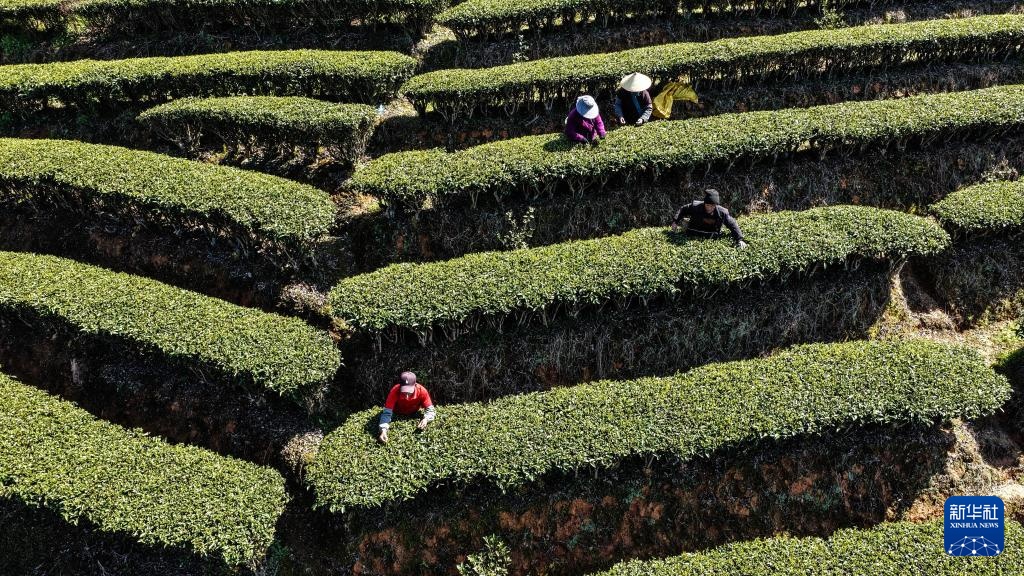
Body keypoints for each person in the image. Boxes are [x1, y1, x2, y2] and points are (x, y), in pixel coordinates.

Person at [670, 189, 748, 249]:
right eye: (707, 205)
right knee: (685, 222)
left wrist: (739, 239)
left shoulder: (722, 212)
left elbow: (732, 224)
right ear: (704, 203)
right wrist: (675, 221)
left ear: (716, 205)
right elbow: (683, 209)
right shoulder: (695, 206)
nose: (710, 208)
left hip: (710, 235)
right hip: (693, 232)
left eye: (712, 206)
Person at [378, 371, 435, 444]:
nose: (407, 396)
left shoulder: (422, 391)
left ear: (415, 385)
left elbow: (430, 410)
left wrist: (426, 419)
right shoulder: (395, 390)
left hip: (413, 413)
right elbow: (387, 413)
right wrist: (383, 431)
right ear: (400, 386)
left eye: (409, 392)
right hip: (396, 414)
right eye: (404, 392)